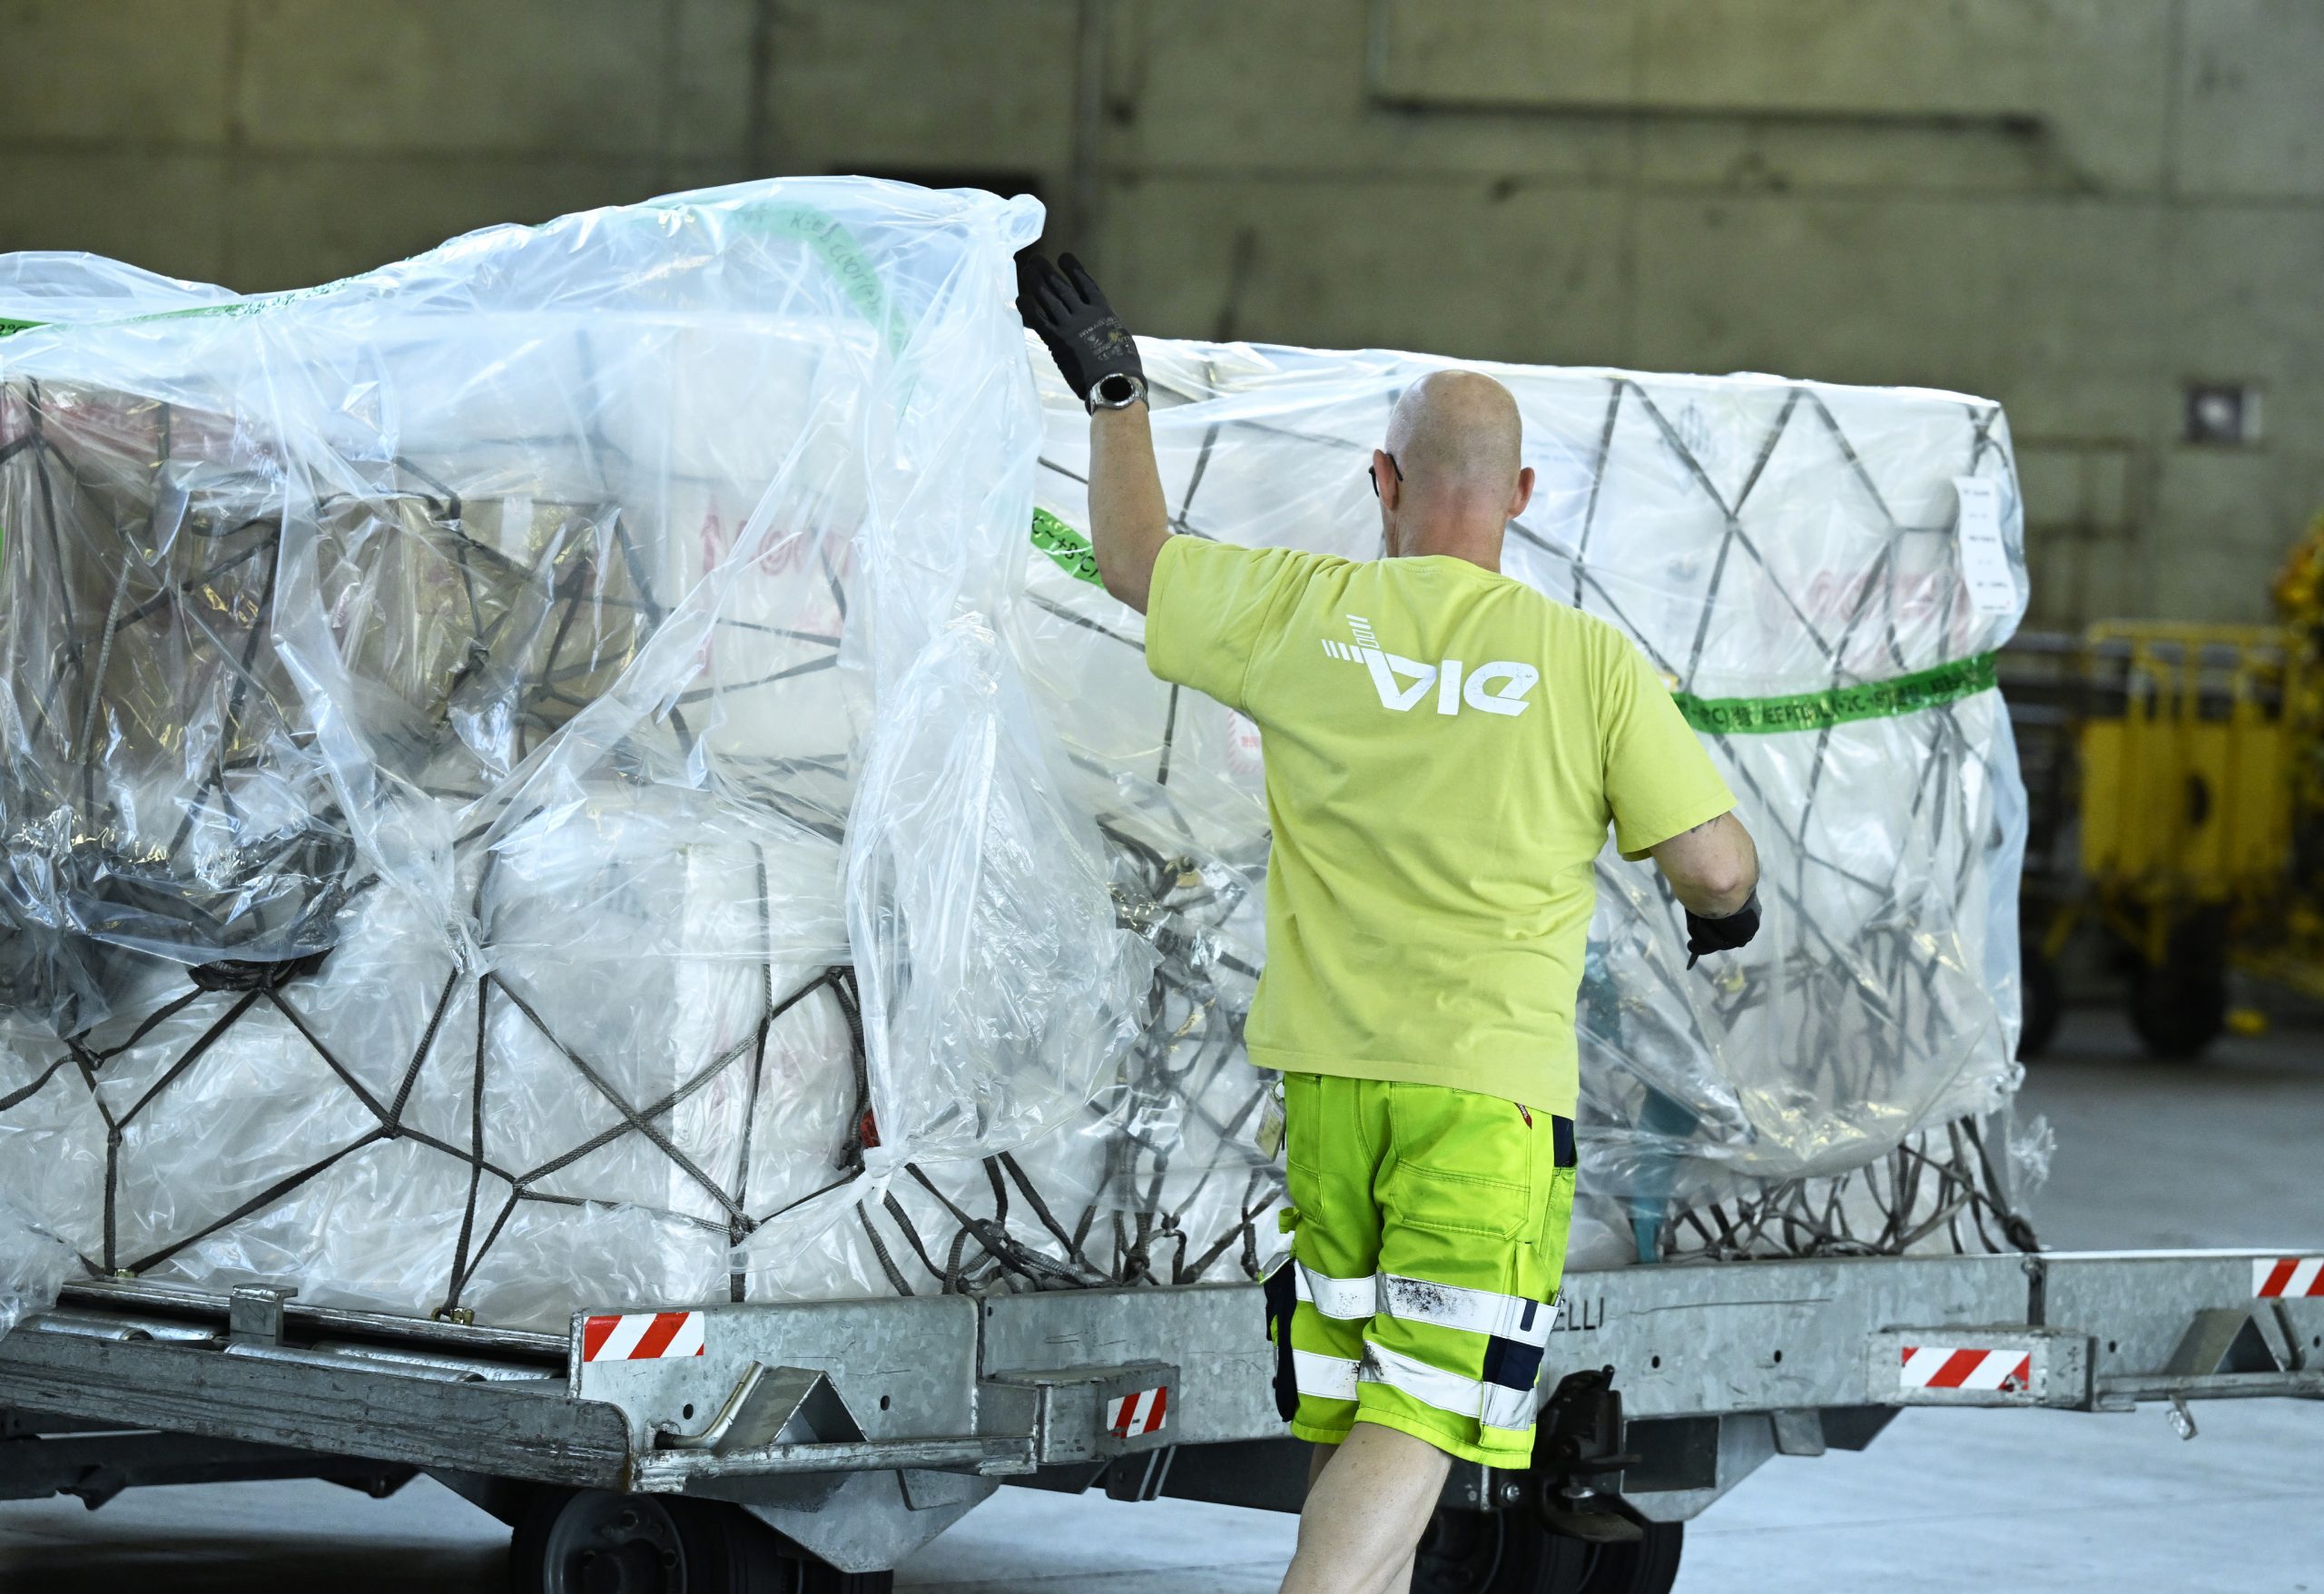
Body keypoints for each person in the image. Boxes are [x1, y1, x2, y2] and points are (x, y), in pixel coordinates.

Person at [1018, 252, 1762, 1594]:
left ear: (1384, 483)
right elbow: (1712, 864)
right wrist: (1729, 912)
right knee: (1423, 1412)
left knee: (1357, 1405)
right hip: (1481, 1102)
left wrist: (1117, 393)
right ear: (1521, 500)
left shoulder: (1311, 615)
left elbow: (1136, 560)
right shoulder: (1586, 663)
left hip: (1330, 1089)